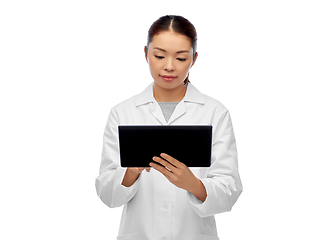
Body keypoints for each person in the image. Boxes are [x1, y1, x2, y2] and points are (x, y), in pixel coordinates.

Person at [95, 15, 243, 240]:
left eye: (181, 58)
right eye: (159, 55)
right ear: (145, 53)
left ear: (193, 59)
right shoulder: (123, 112)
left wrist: (192, 184)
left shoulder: (215, 112)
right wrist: (130, 172)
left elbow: (230, 190)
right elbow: (107, 194)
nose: (169, 66)